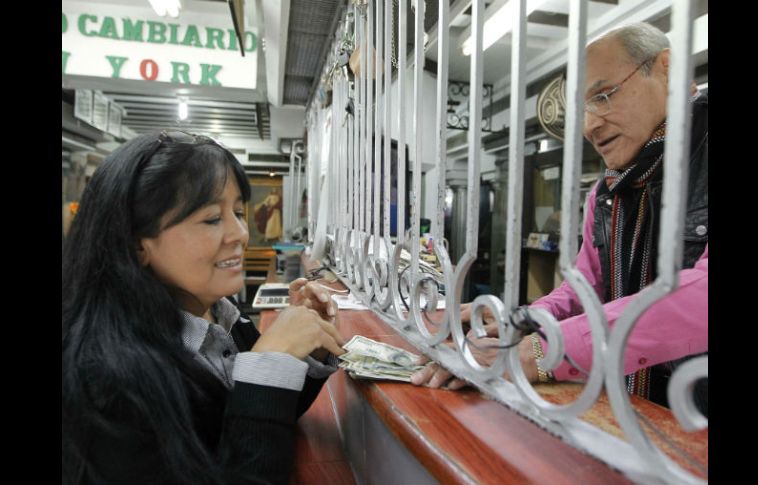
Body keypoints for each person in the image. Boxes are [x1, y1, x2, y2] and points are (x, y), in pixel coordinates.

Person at [412, 22, 708, 414]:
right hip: (637, 413)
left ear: (665, 68)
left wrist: (541, 352)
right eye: (582, 110)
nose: (589, 126)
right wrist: (524, 322)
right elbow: (585, 289)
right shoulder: (609, 192)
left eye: (603, 96)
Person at [62, 130, 346, 485]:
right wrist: (269, 363)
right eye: (212, 218)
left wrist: (303, 349)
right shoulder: (107, 384)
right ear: (137, 244)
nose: (240, 234)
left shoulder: (220, 317)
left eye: (239, 212)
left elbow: (258, 423)